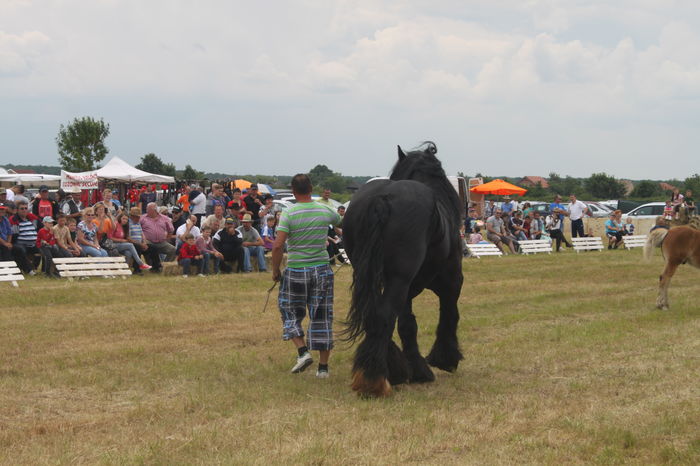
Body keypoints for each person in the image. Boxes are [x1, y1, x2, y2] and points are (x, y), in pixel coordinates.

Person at [272, 173, 341, 378]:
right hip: (322, 268)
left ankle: (302, 352)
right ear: (311, 189)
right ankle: (323, 369)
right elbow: (344, 222)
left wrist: (276, 271)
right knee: (322, 315)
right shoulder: (325, 210)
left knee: (288, 309)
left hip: (296, 270)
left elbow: (277, 246)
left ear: (293, 191)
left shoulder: (289, 213)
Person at [140, 202, 176, 271]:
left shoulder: (164, 218)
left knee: (173, 250)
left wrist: (167, 238)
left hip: (161, 242)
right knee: (151, 248)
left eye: (148, 209)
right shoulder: (142, 218)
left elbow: (171, 230)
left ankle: (164, 266)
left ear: (154, 210)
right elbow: (138, 229)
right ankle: (153, 266)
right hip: (148, 241)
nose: (146, 211)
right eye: (147, 209)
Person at [9, 200, 41, 274]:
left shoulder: (33, 218)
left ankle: (35, 268)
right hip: (20, 243)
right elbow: (13, 235)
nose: (24, 210)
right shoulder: (13, 219)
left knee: (42, 250)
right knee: (20, 250)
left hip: (33, 243)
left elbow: (41, 228)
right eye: (22, 208)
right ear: (17, 210)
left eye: (26, 208)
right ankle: (29, 270)